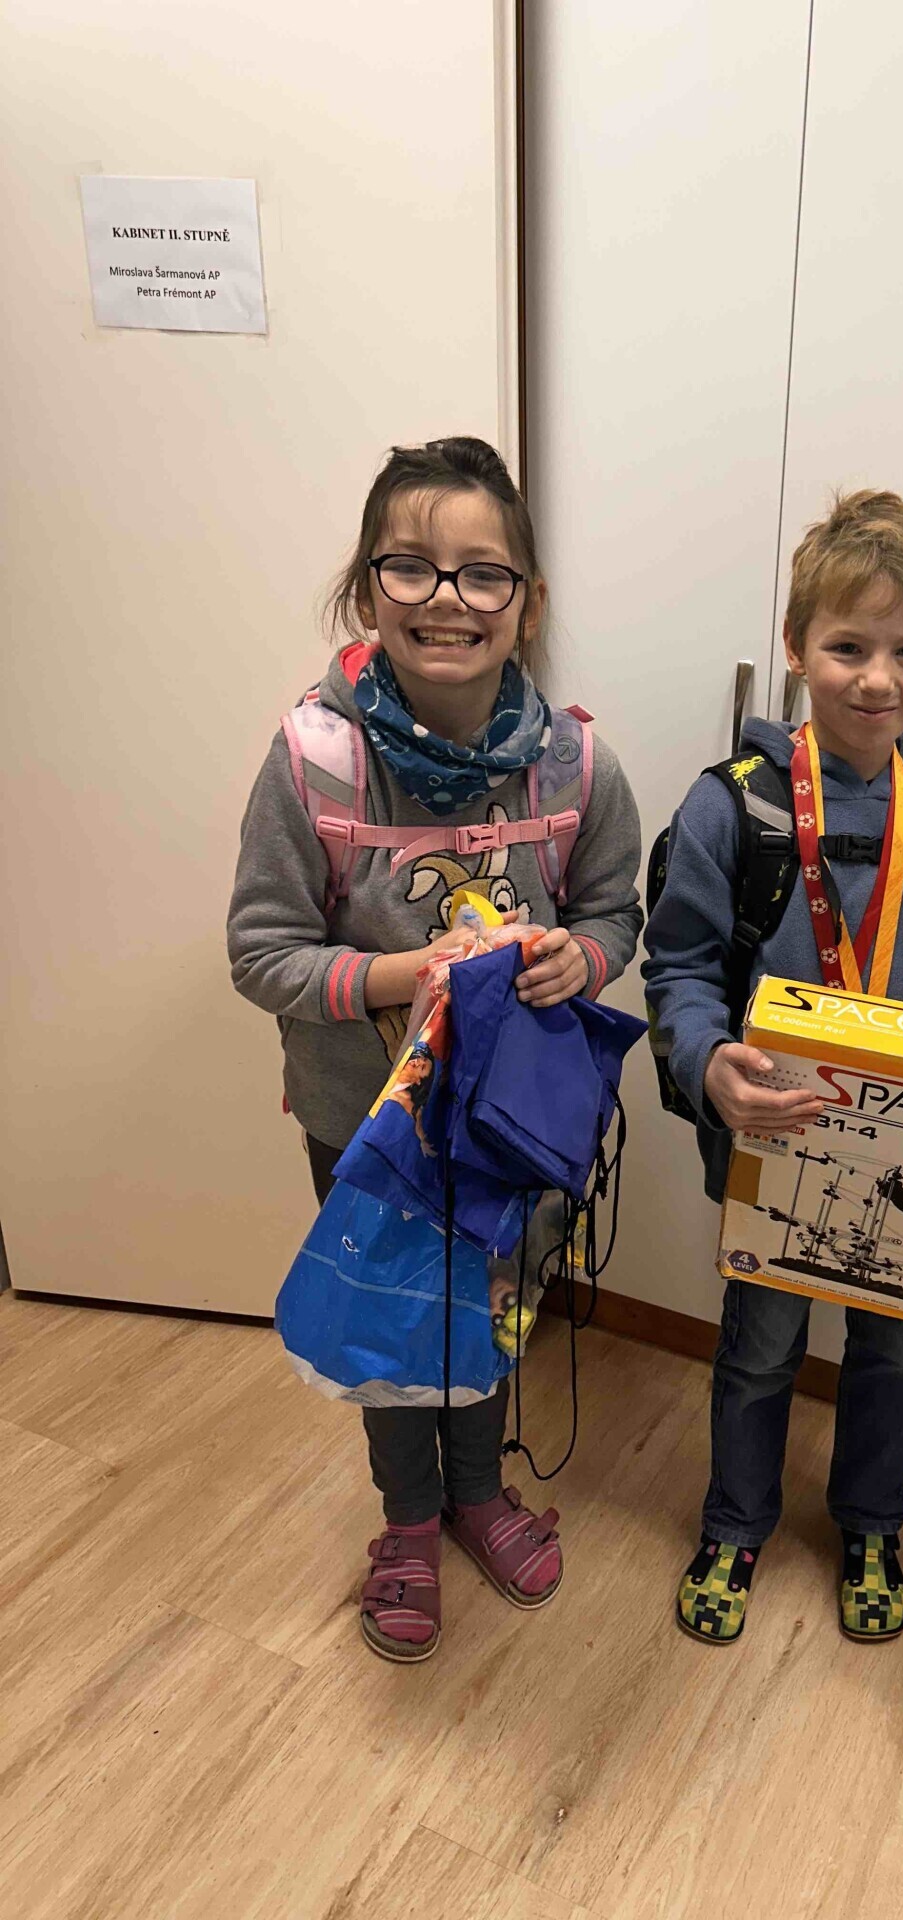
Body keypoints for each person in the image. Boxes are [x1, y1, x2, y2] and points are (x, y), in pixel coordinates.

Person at [228, 436, 642, 1662]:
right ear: (367, 590)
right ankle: (407, 1521)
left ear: (528, 602)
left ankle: (478, 1494)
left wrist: (580, 960)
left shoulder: (576, 764)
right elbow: (261, 954)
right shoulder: (315, 760)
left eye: (482, 573)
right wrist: (405, 979)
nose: (448, 598)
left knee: (490, 1317)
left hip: (507, 1127)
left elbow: (614, 915)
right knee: (388, 1331)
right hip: (366, 1128)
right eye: (410, 567)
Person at [643, 489, 903, 1645]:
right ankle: (734, 1523)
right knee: (759, 1346)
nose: (877, 679)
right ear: (796, 647)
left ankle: (871, 1524)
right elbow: (679, 969)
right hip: (774, 1135)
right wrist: (708, 1063)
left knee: (898, 1349)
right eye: (848, 647)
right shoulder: (733, 807)